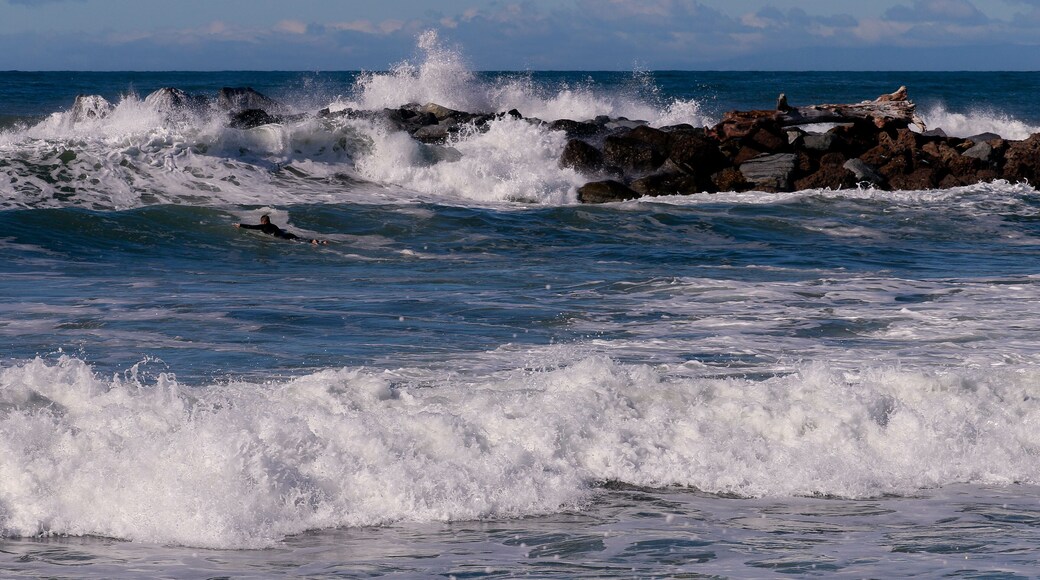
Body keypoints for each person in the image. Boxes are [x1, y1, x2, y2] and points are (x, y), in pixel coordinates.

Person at [235, 214, 327, 244]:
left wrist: (240, 225)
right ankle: (319, 241)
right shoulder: (274, 225)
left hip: (283, 237)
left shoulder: (263, 226)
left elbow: (252, 227)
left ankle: (315, 242)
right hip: (287, 235)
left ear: (263, 221)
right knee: (300, 239)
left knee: (299, 241)